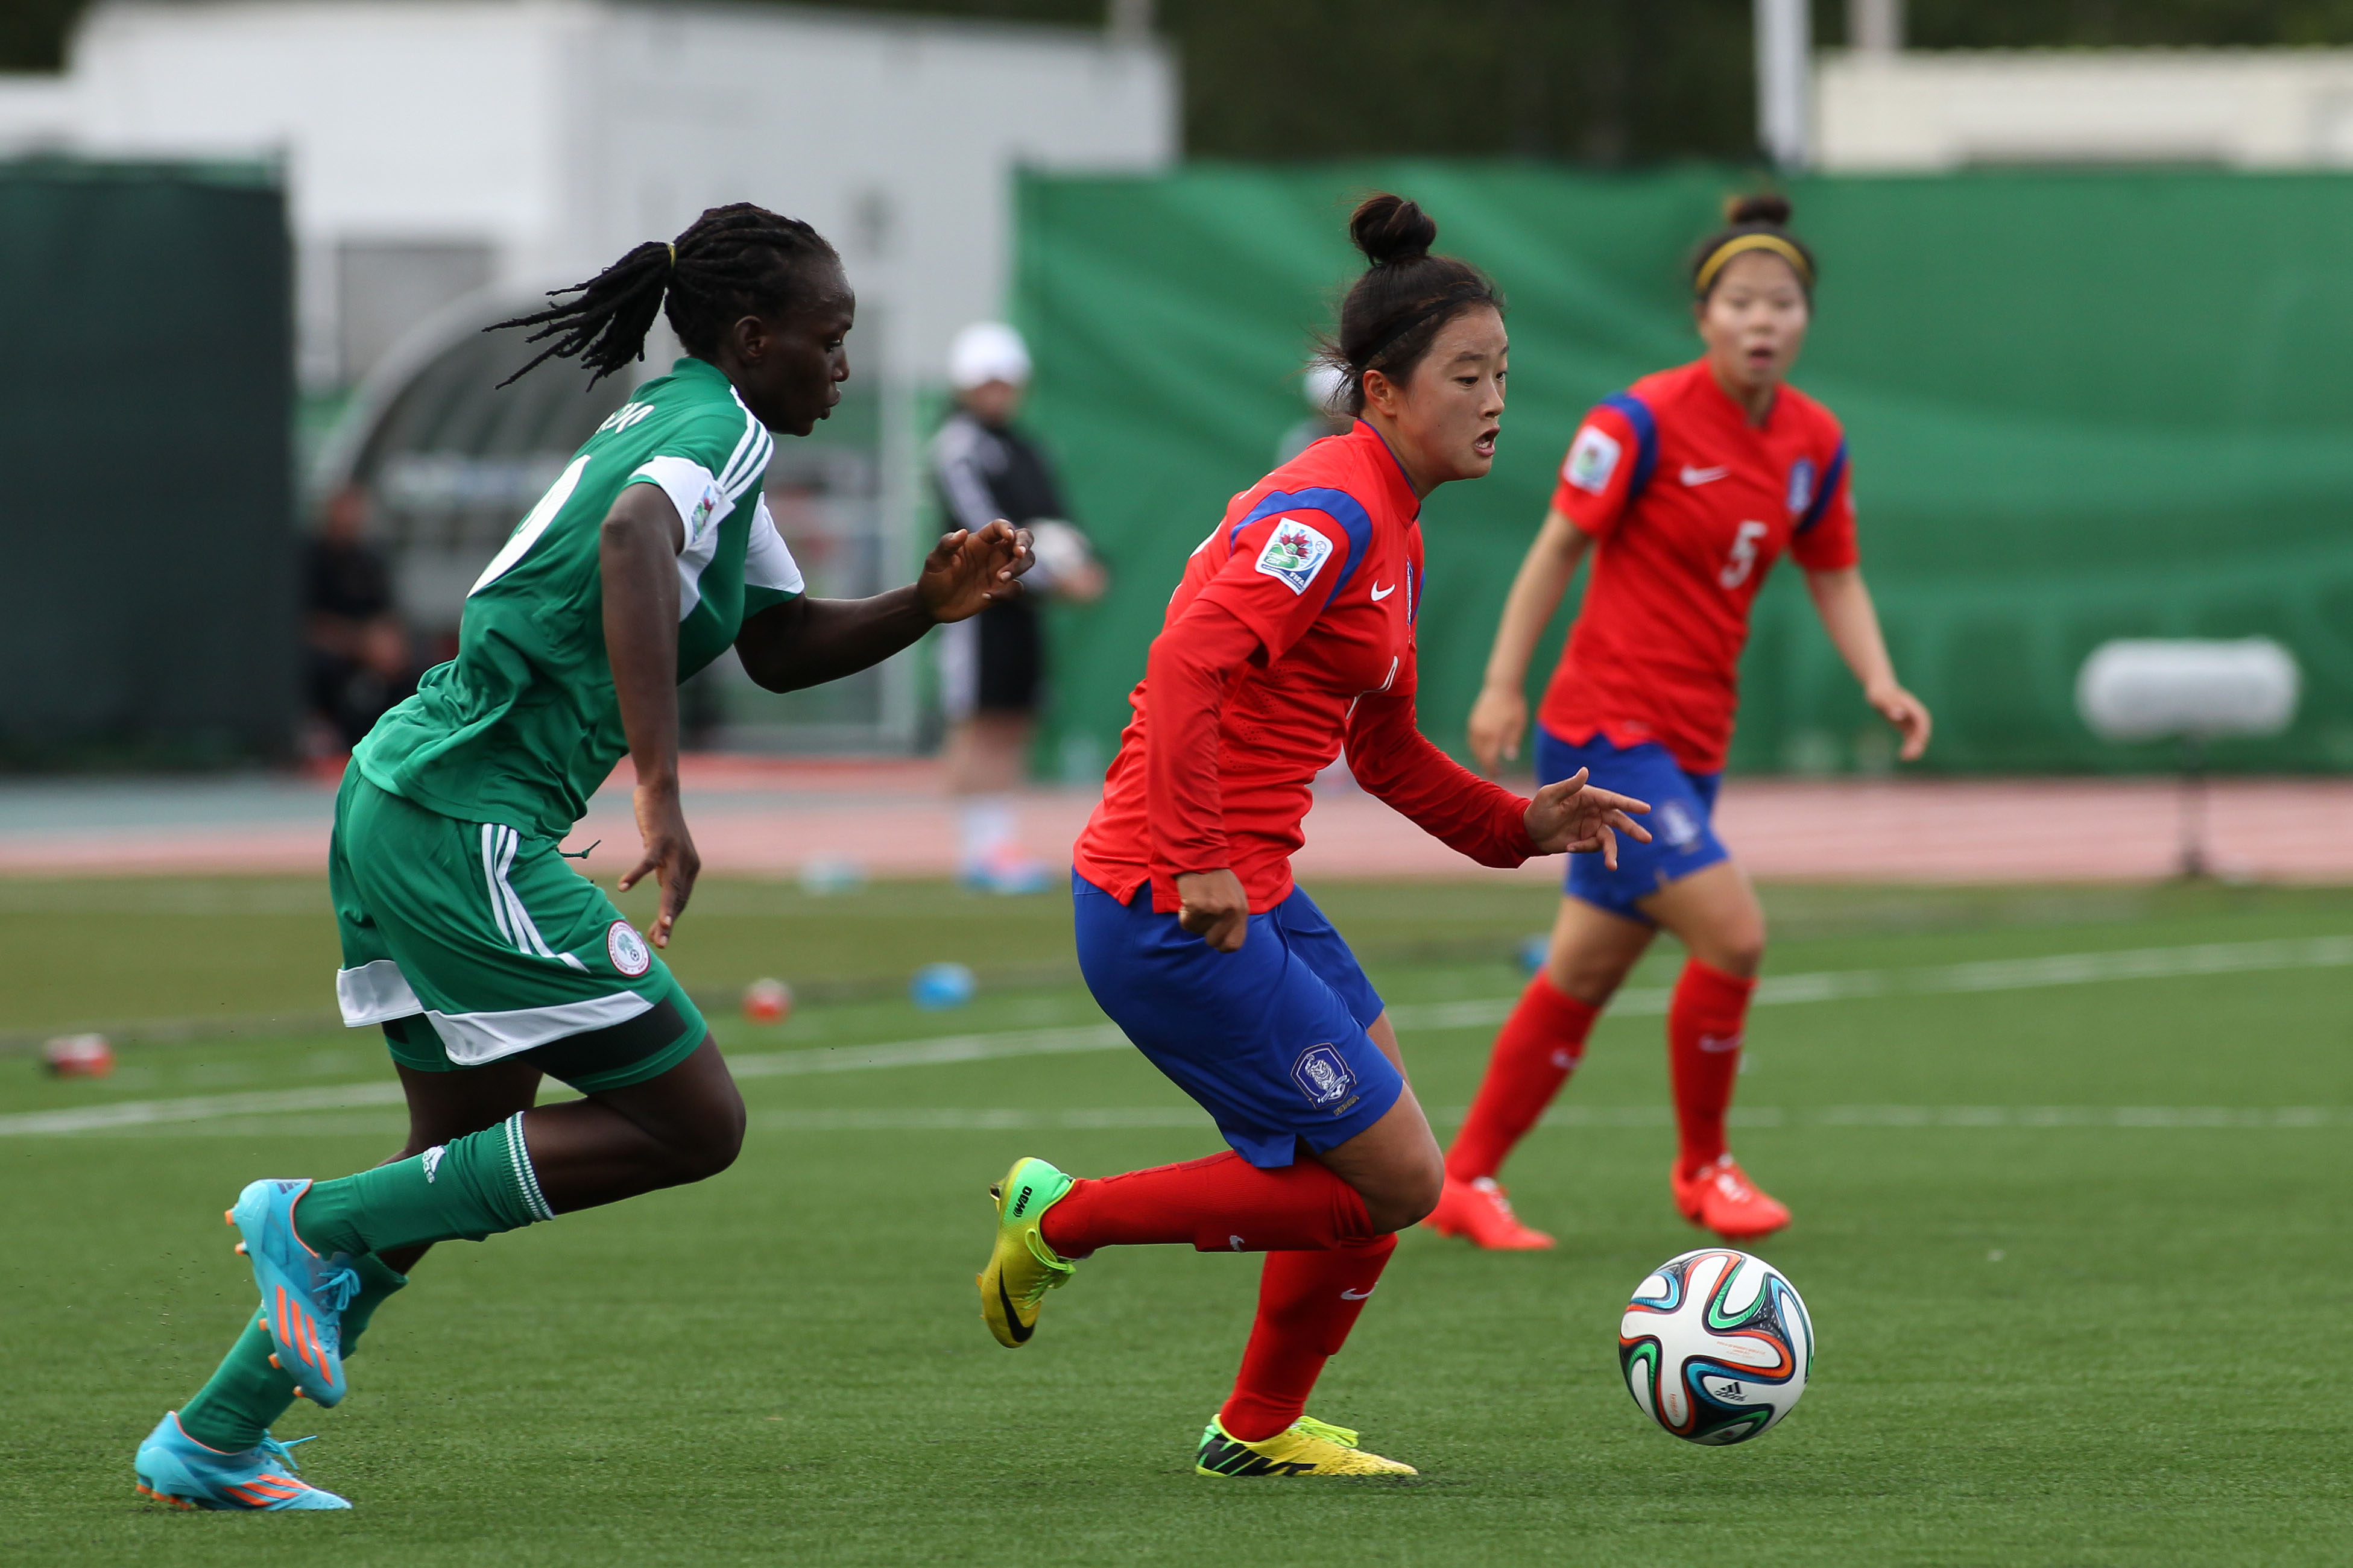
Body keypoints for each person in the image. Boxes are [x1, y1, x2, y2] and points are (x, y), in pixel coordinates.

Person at [133, 203, 1031, 1513]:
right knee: (696, 1119)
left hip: (409, 795)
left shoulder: (706, 434)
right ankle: (308, 1219)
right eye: (830, 341)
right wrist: (662, 791)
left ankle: (214, 1434)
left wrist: (925, 604)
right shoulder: (713, 426)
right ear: (751, 335)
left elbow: (776, 647)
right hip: (462, 815)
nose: (842, 365)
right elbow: (631, 545)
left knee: (455, 1155)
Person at [971, 195, 1650, 1478]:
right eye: (1467, 375)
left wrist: (1520, 826)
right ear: (1382, 392)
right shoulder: (1329, 510)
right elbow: (1182, 664)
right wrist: (1198, 854)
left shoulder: (1394, 524)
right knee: (1395, 1180)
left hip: (1250, 891)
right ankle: (1062, 1216)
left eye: (1504, 373)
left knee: (1390, 1166)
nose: (1496, 399)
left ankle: (1260, 1425)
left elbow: (1381, 750)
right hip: (1169, 904)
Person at [1427, 193, 1931, 1253]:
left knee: (1583, 971)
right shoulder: (1638, 421)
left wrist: (1880, 680)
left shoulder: (1813, 441)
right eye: (1740, 300)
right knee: (1735, 933)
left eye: (1783, 302)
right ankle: (1704, 1170)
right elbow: (1556, 547)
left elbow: (1832, 572)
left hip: (1693, 745)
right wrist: (1500, 683)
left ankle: (1465, 1179)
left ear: (1805, 318)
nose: (1763, 319)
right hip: (1608, 731)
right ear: (1704, 316)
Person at [932, 321, 1108, 893]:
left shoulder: (1025, 446)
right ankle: (974, 850)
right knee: (977, 721)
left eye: (1006, 382)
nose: (997, 392)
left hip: (1022, 607)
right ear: (965, 385)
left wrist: (1079, 563)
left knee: (1014, 721)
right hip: (976, 609)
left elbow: (1056, 519)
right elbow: (984, 529)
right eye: (986, 382)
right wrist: (1054, 576)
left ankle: (998, 844)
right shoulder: (959, 446)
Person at [301, 485, 415, 752]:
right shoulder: (309, 560)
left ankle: (403, 739)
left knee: (417, 666)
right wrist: (361, 643)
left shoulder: (371, 559)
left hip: (371, 650)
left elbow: (388, 615)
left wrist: (389, 645)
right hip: (328, 652)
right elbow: (307, 623)